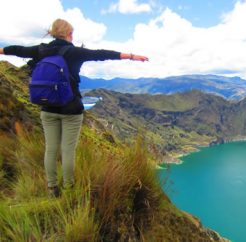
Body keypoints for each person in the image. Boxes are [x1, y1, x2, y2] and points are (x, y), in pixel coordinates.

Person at [0, 19, 149, 197]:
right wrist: (131, 56)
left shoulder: (40, 50)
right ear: (69, 34)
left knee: (51, 148)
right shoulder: (73, 52)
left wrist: (1, 50)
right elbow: (101, 54)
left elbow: (17, 50)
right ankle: (69, 187)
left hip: (48, 108)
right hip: (71, 108)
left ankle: (52, 188)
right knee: (68, 149)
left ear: (53, 33)